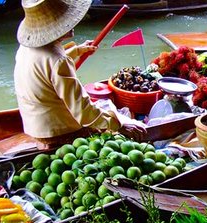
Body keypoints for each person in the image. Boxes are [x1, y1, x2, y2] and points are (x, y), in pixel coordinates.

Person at [14, 0, 147, 149]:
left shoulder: (26, 47)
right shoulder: (59, 61)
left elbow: (46, 65)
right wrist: (119, 125)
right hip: (58, 132)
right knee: (115, 135)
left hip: (34, 126)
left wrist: (77, 50)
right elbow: (83, 111)